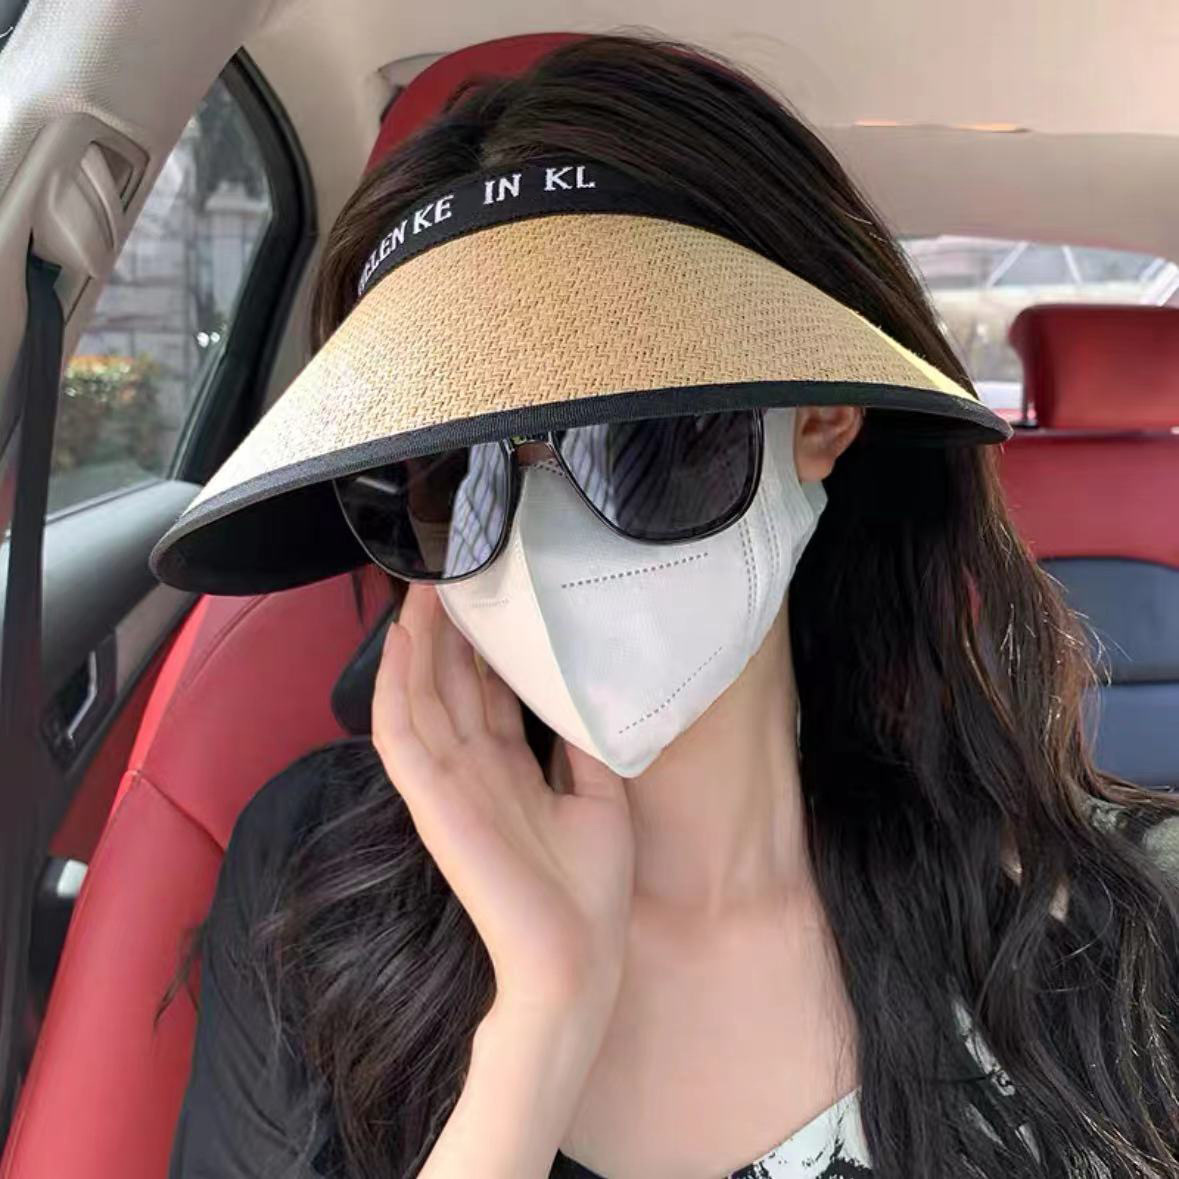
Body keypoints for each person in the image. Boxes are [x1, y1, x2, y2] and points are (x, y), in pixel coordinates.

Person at [155, 32, 1179, 1179]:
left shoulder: (1110, 930)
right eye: (452, 475)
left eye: (636, 437)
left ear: (818, 416)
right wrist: (539, 1020)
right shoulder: (309, 887)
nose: (540, 545)